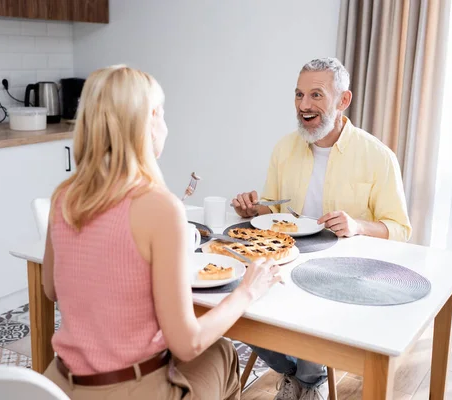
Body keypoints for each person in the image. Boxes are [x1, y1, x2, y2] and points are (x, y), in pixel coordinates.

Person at [41, 65, 281, 400]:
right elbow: (188, 342)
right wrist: (246, 292)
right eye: (163, 113)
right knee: (223, 353)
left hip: (59, 386)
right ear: (150, 118)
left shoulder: (64, 196)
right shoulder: (159, 206)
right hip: (128, 390)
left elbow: (50, 288)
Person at [232, 58, 412, 399]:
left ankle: (304, 381)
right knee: (235, 300)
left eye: (316, 95)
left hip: (345, 275)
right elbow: (273, 210)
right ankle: (301, 378)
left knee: (312, 312)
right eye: (299, 95)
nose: (304, 106)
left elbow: (400, 229)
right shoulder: (284, 148)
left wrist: (357, 225)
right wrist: (252, 209)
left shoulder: (378, 156)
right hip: (287, 262)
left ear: (343, 100)